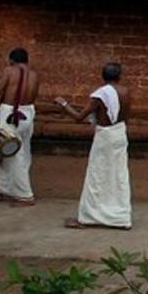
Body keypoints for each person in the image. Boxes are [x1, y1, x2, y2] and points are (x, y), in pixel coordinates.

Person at [53, 62, 132, 229]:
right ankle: (121, 217)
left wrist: (64, 104)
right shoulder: (126, 92)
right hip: (119, 134)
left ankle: (88, 217)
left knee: (97, 175)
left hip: (105, 137)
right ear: (119, 77)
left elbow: (79, 117)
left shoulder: (100, 95)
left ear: (102, 77)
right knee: (118, 175)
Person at [0, 48, 39, 206]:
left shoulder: (9, 71)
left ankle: (25, 195)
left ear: (12, 60)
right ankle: (4, 188)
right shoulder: (34, 75)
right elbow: (33, 98)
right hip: (28, 113)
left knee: (13, 152)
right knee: (21, 151)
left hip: (10, 114)